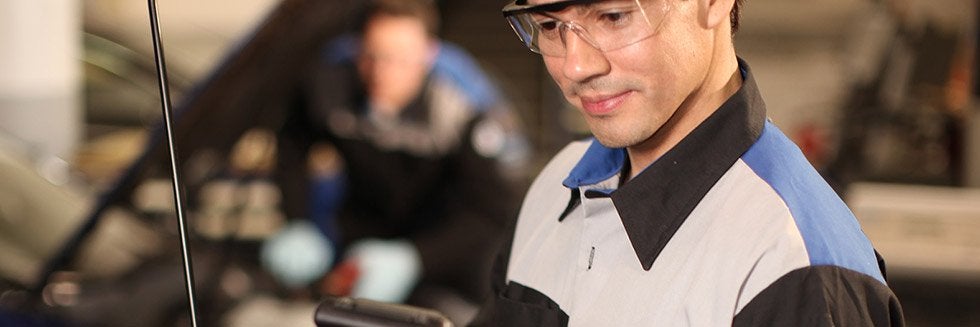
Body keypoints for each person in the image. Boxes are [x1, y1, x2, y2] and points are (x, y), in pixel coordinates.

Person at [471, 0, 905, 325]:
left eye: (614, 16)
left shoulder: (795, 267)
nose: (576, 65)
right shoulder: (553, 186)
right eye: (549, 25)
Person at [274, 0, 528, 319]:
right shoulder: (328, 82)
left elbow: (492, 211)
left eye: (398, 60)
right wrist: (299, 221)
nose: (381, 73)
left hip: (449, 257)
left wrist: (416, 258)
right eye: (372, 56)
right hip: (364, 248)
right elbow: (292, 148)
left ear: (429, 53)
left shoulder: (464, 105)